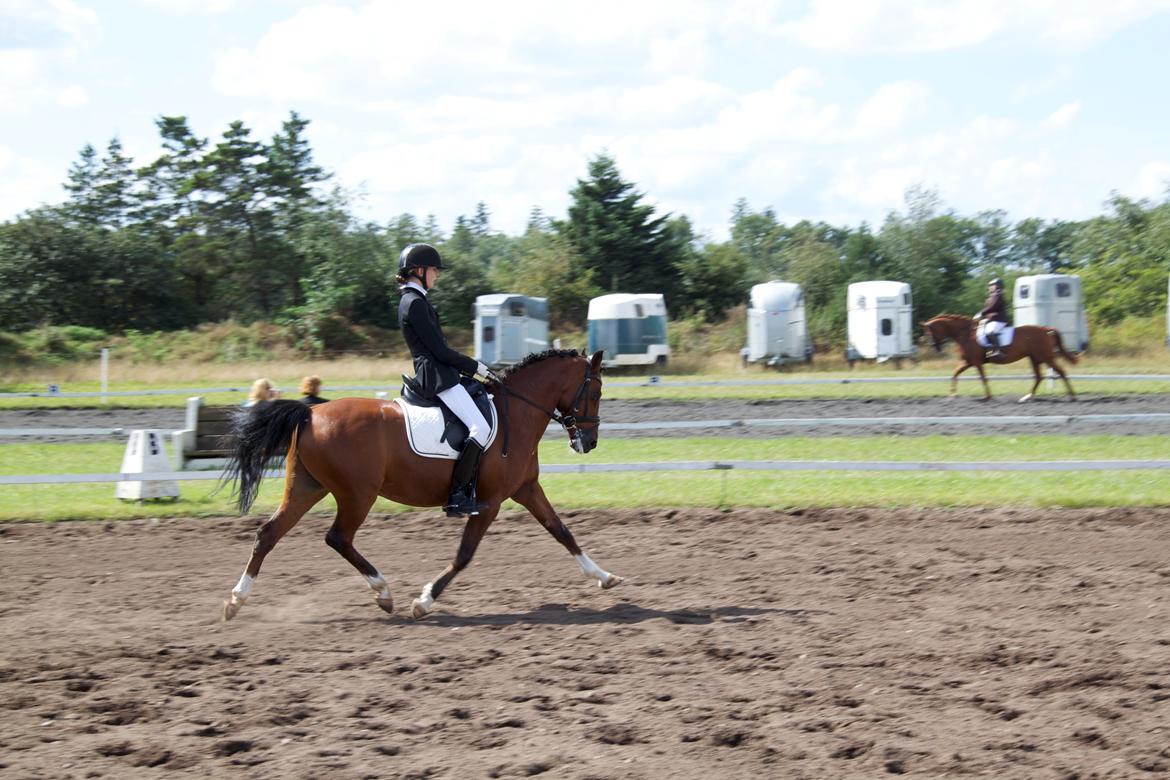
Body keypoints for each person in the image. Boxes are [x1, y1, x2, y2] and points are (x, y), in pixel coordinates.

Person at [397, 242, 496, 517]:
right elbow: (439, 351)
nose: (437, 275)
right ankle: (457, 495)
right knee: (481, 428)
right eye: (433, 270)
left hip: (441, 372)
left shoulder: (415, 301)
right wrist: (476, 367)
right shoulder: (415, 303)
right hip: (437, 376)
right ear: (418, 270)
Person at [976, 278, 1010, 358]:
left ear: (998, 286)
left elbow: (993, 308)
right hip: (992, 320)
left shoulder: (998, 295)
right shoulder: (991, 297)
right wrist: (982, 316)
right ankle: (989, 350)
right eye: (990, 285)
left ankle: (998, 351)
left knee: (990, 331)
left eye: (992, 285)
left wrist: (981, 313)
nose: (990, 287)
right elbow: (987, 308)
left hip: (999, 320)